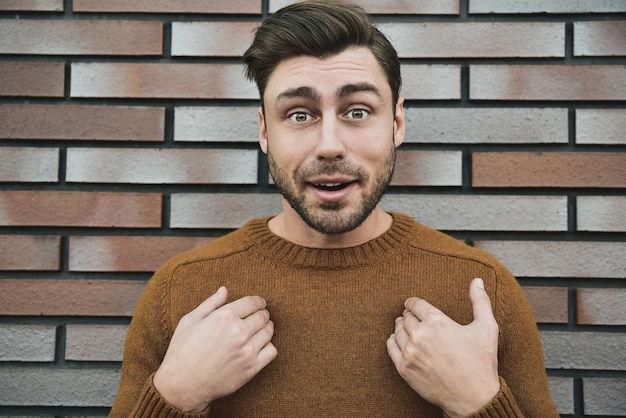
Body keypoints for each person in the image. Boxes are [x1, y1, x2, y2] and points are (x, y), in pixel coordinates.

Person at [110, 1, 559, 416]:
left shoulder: (480, 290)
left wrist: (479, 402)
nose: (329, 145)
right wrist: (173, 396)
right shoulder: (183, 289)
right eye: (299, 115)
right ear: (265, 131)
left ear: (397, 123)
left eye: (358, 111)